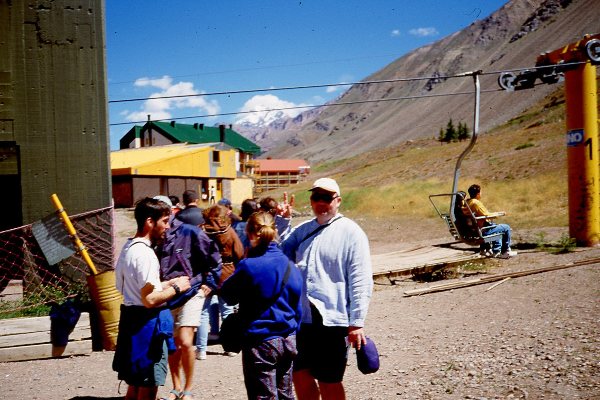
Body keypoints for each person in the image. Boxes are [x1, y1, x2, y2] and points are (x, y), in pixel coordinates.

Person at [280, 177, 373, 400]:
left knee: (329, 381)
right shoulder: (303, 230)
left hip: (333, 320)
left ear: (338, 200)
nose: (321, 203)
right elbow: (281, 255)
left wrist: (356, 322)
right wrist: (283, 222)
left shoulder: (352, 232)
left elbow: (360, 278)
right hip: (302, 319)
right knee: (300, 376)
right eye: (316, 197)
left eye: (326, 198)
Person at [113, 197, 191, 400]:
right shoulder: (145, 254)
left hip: (132, 321)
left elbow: (130, 288)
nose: (168, 226)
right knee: (148, 386)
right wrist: (176, 287)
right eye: (165, 221)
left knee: (134, 385)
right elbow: (149, 299)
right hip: (147, 327)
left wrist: (166, 284)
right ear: (149, 221)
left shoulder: (128, 248)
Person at [220, 211, 303, 399]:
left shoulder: (249, 266)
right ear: (274, 232)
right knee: (285, 395)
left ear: (250, 234)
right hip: (288, 339)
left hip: (261, 342)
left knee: (263, 396)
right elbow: (298, 308)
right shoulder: (290, 266)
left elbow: (228, 295)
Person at [156, 205, 222, 400]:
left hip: (192, 291)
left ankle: (188, 389)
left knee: (185, 341)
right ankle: (176, 387)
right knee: (172, 343)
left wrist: (209, 282)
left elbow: (213, 256)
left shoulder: (189, 232)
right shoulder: (154, 237)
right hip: (167, 295)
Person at [196, 204, 245, 359]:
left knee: (203, 313)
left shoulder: (201, 230)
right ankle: (229, 347)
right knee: (227, 312)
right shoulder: (229, 231)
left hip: (207, 274)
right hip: (227, 273)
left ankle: (201, 350)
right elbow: (239, 252)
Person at [466, 184, 514, 259]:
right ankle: (504, 251)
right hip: (482, 231)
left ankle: (489, 250)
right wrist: (499, 214)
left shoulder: (468, 203)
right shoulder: (475, 203)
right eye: (480, 192)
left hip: (473, 230)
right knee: (506, 227)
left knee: (495, 226)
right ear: (478, 194)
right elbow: (486, 215)